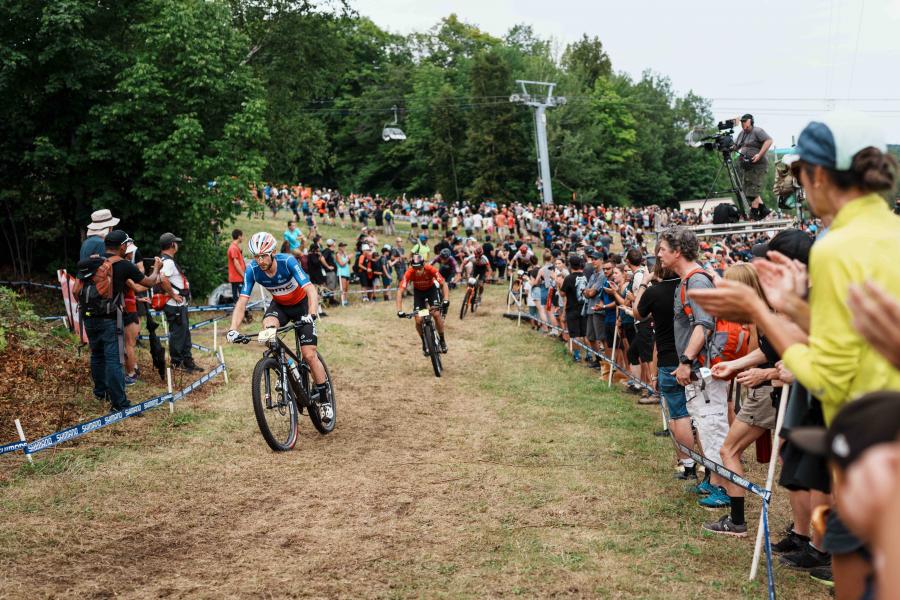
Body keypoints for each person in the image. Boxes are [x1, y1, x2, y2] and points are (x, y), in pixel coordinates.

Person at [658, 226, 733, 511]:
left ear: (677, 251)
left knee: (713, 426)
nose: (659, 254)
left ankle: (726, 488)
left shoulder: (696, 281)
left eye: (663, 249)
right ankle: (714, 479)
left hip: (705, 368)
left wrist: (686, 361)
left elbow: (704, 325)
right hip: (700, 369)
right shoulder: (687, 280)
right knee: (703, 423)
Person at [226, 232, 332, 421]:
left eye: (264, 255)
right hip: (280, 307)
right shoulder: (252, 270)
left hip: (301, 306)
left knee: (308, 354)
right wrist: (233, 329)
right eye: (257, 256)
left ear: (273, 252)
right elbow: (242, 301)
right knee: (268, 331)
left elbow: (310, 289)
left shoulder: (287, 262)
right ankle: (286, 367)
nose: (260, 260)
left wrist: (312, 313)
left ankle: (324, 400)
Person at [80, 230, 162, 411]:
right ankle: (119, 403)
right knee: (114, 359)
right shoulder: (124, 265)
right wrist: (157, 268)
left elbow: (75, 290)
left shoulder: (93, 262)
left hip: (88, 317)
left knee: (97, 355)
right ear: (122, 246)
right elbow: (148, 282)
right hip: (110, 318)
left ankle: (101, 392)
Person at [158, 233, 200, 373]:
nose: (177, 245)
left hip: (179, 305)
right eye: (176, 243)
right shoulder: (168, 262)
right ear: (172, 245)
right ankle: (177, 363)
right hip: (174, 305)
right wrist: (173, 294)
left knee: (184, 334)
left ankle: (188, 361)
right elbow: (163, 279)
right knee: (177, 335)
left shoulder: (166, 260)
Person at [396, 254, 450, 354]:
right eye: (415, 268)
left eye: (420, 268)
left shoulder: (430, 269)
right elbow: (400, 291)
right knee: (418, 319)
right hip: (419, 293)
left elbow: (443, 284)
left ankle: (442, 340)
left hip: (431, 291)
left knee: (436, 314)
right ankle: (424, 341)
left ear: (423, 265)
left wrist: (446, 299)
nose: (418, 270)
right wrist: (399, 310)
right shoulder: (409, 272)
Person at [733, 114, 773, 220]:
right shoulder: (742, 134)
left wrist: (759, 154)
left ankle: (754, 214)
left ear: (751, 121)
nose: (743, 123)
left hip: (758, 165)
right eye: (742, 121)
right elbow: (736, 146)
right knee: (746, 190)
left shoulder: (757, 131)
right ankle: (764, 209)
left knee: (752, 190)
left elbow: (769, 141)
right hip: (747, 166)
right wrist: (726, 146)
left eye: (745, 121)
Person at [559, 254, 587, 362]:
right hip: (583, 308)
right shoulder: (584, 276)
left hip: (572, 309)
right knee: (584, 334)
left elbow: (562, 293)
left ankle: (577, 355)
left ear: (570, 266)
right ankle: (589, 354)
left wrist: (559, 285)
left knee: (575, 334)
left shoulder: (569, 278)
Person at [227, 229, 246, 304]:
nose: (242, 238)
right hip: (237, 277)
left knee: (238, 298)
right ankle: (242, 313)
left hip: (236, 277)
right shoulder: (233, 248)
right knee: (241, 298)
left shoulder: (235, 247)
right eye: (242, 236)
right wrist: (243, 275)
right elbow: (236, 263)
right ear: (239, 236)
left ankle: (243, 313)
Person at [335, 242, 351, 306]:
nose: (344, 248)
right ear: (339, 247)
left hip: (347, 273)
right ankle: (342, 301)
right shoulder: (338, 255)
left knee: (346, 288)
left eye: (344, 246)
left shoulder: (345, 254)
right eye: (343, 246)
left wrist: (347, 257)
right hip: (341, 273)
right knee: (343, 288)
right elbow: (341, 264)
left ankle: (345, 300)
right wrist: (348, 258)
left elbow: (348, 263)